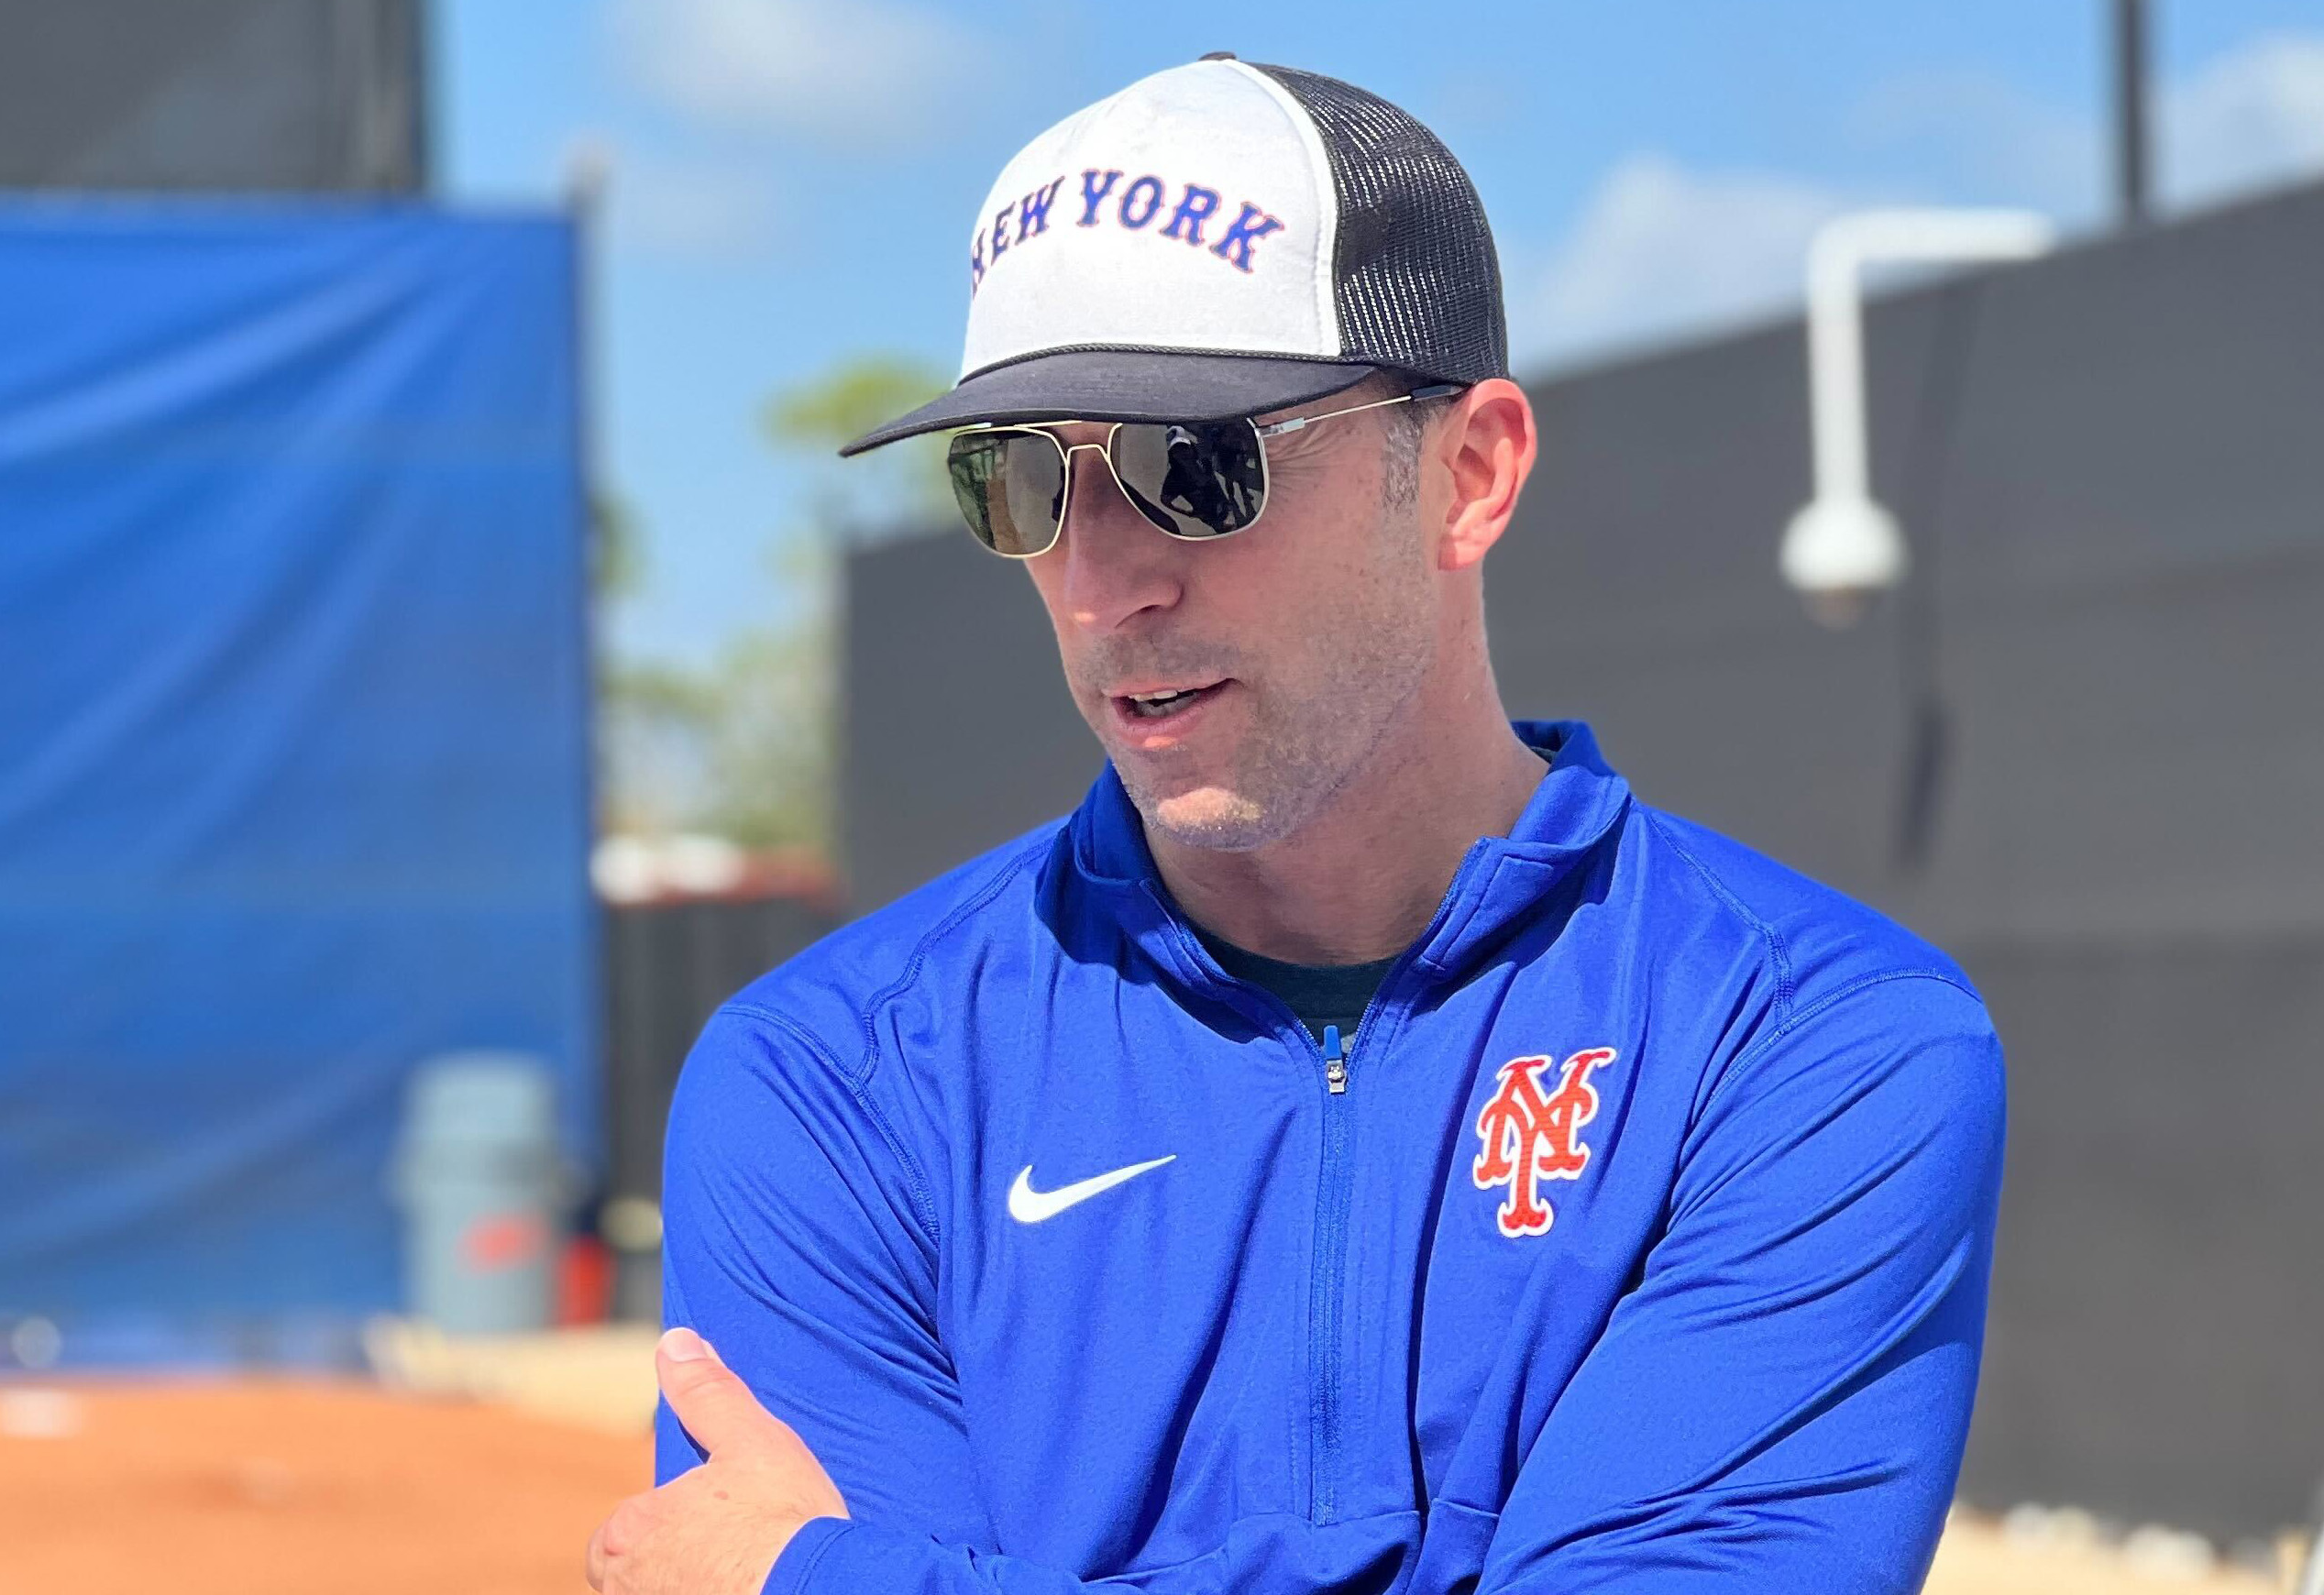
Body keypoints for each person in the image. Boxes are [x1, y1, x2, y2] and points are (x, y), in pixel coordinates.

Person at [587, 54, 2006, 1595]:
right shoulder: (834, 1079)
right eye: (1018, 480)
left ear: (1468, 475)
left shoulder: (1804, 1042)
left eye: (1193, 467)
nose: (1100, 581)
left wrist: (825, 1580)